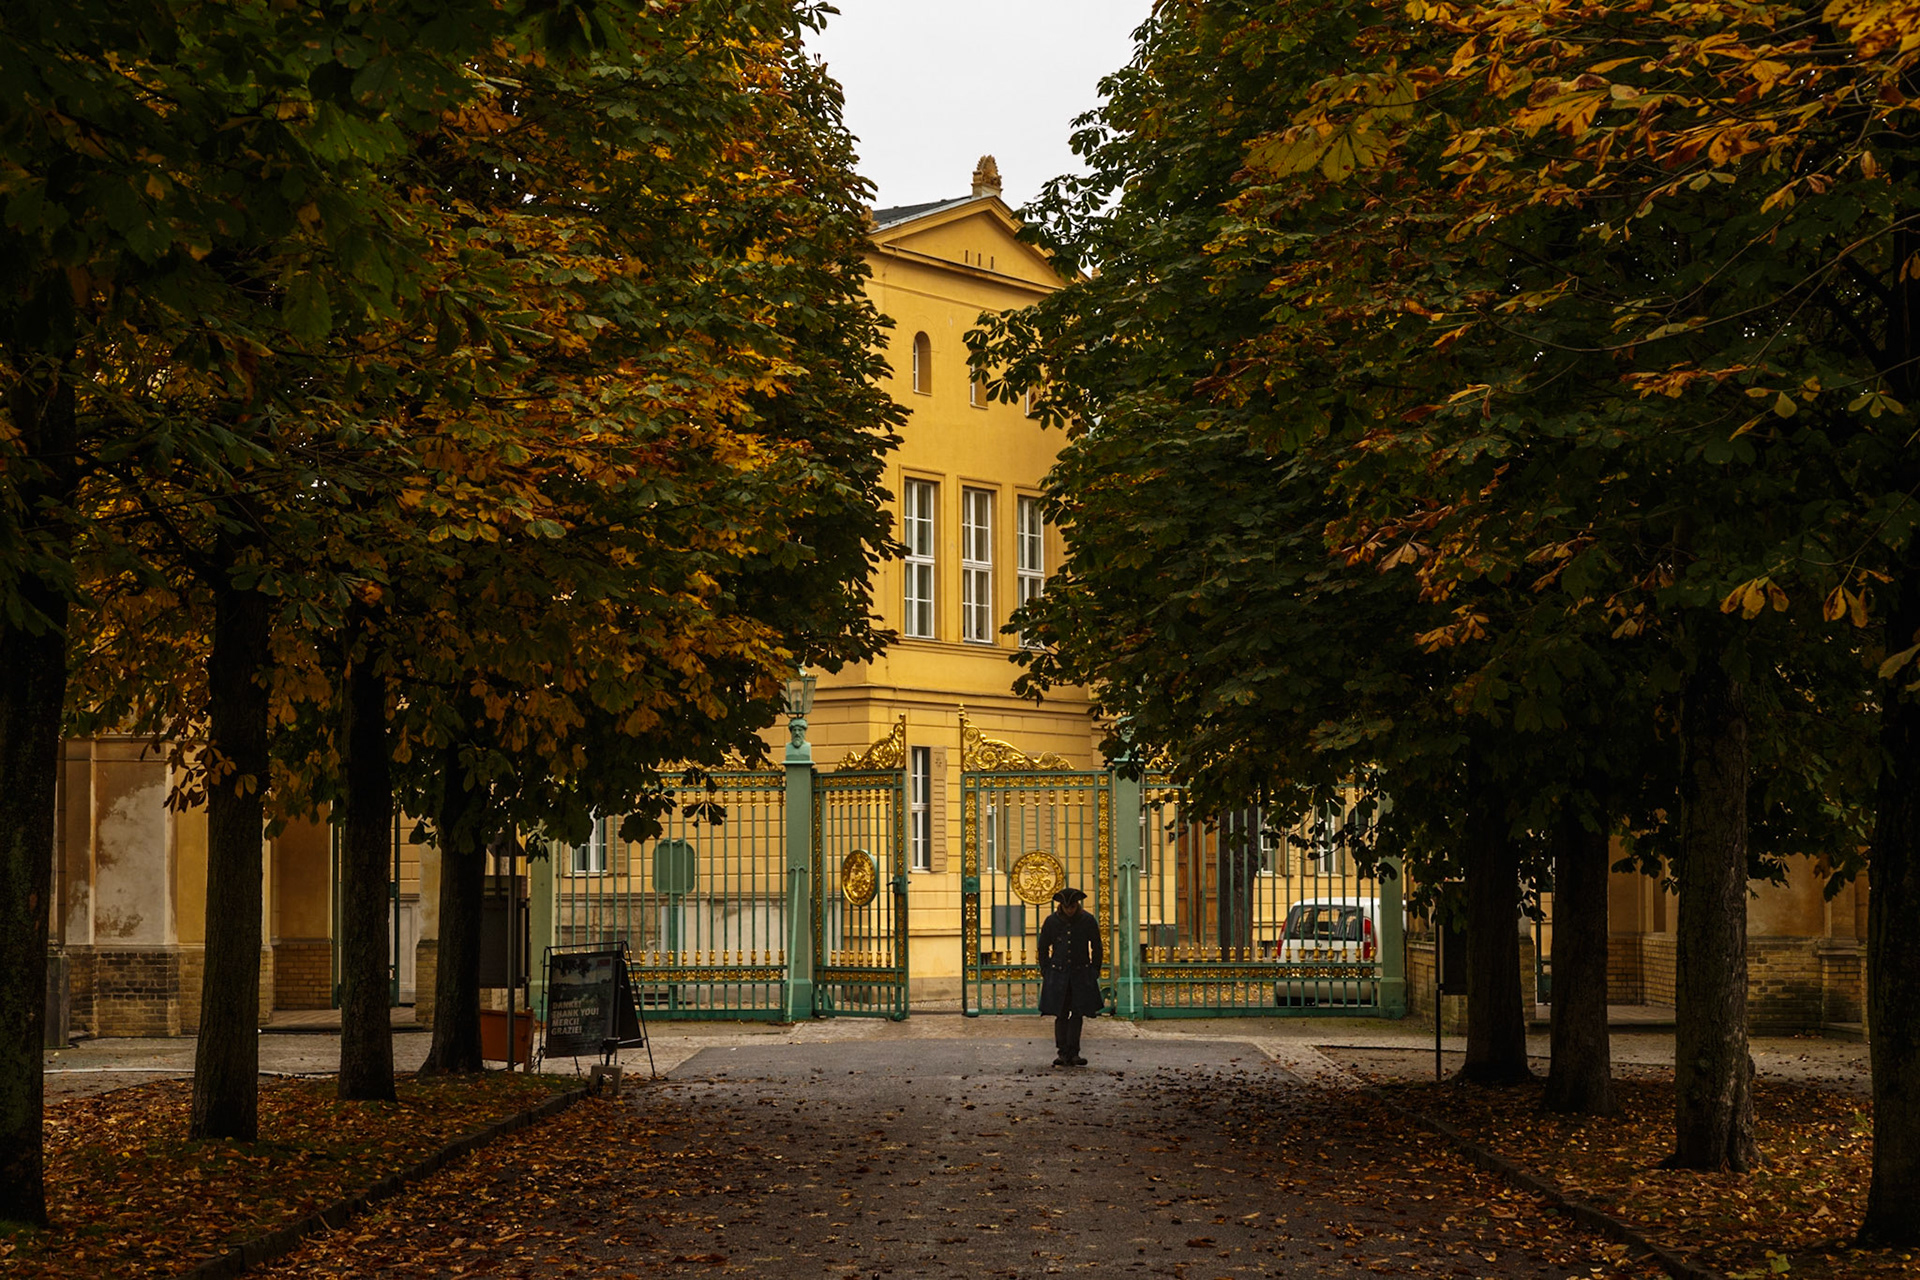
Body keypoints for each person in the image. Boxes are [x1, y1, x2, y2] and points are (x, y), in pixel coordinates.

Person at [1038, 887, 1102, 1067]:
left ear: (1077, 905)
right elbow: (1043, 947)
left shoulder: (1087, 920)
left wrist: (1094, 969)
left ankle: (1074, 1052)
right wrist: (1046, 969)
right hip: (1058, 974)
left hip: (1080, 974)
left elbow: (1097, 946)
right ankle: (1062, 1052)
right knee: (1061, 1013)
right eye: (1067, 907)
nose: (1070, 910)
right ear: (1061, 906)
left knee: (1077, 1013)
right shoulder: (1051, 921)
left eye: (1073, 906)